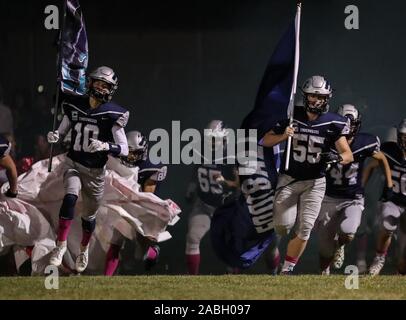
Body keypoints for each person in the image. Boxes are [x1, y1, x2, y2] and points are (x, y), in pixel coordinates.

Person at [261, 75, 353, 274]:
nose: (316, 100)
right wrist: (284, 135)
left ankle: (287, 269)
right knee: (282, 227)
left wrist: (336, 157)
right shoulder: (292, 115)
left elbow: (348, 155)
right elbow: (265, 141)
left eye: (320, 97)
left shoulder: (334, 122)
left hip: (315, 182)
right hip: (290, 179)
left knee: (305, 228)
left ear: (327, 98)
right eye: (312, 96)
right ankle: (280, 244)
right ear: (305, 96)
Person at [47, 66, 129, 273]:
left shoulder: (113, 113)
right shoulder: (75, 105)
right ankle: (60, 245)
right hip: (73, 164)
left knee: (89, 217)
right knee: (70, 197)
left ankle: (84, 249)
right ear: (90, 83)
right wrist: (55, 136)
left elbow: (125, 149)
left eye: (106, 85)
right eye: (98, 83)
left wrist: (105, 146)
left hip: (95, 173)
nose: (101, 88)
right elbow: (62, 131)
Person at [317, 104, 392, 275]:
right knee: (324, 246)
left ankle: (340, 246)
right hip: (328, 196)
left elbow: (381, 159)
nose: (348, 127)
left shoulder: (365, 142)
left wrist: (389, 184)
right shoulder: (325, 141)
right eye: (344, 123)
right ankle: (323, 272)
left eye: (352, 123)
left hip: (353, 197)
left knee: (349, 232)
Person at [104, 130, 168, 275]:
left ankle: (152, 252)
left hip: (143, 206)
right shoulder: (117, 159)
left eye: (134, 153)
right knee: (116, 241)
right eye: (129, 152)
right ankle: (106, 278)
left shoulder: (151, 166)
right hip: (122, 202)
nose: (130, 157)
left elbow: (146, 196)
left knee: (141, 251)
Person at [185, 120, 239, 275]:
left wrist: (226, 182)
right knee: (193, 238)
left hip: (227, 207)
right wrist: (192, 187)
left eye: (215, 138)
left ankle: (233, 279)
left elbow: (240, 185)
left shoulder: (232, 155)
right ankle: (191, 281)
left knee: (232, 246)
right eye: (210, 138)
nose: (212, 142)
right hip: (204, 205)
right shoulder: (200, 150)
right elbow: (197, 169)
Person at [365, 119, 406, 276]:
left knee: (403, 261)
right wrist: (360, 188)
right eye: (403, 136)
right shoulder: (390, 150)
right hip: (392, 200)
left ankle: (399, 272)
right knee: (387, 225)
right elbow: (370, 165)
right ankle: (379, 257)